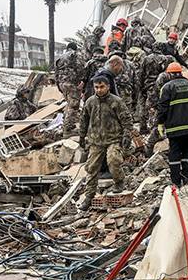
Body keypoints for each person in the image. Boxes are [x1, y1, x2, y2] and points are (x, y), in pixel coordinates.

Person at [78, 75, 136, 210]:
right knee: (91, 168)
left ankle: (119, 181)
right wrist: (81, 136)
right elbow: (84, 120)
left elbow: (127, 120)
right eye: (96, 87)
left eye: (101, 87)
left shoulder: (116, 102)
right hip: (95, 141)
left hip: (113, 139)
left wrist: (127, 135)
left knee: (114, 160)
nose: (99, 90)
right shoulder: (90, 102)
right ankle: (88, 197)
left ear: (108, 86)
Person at [156, 62, 188, 187]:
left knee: (175, 153)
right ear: (180, 73)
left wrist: (160, 123)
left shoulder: (167, 87)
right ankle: (187, 178)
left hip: (175, 128)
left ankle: (176, 182)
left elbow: (162, 108)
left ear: (169, 74)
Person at [137, 53, 174, 137]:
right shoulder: (165, 59)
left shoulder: (146, 58)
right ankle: (158, 128)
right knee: (160, 107)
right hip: (160, 86)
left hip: (148, 86)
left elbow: (141, 74)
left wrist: (141, 87)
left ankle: (147, 128)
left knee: (148, 108)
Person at [55, 42, 83, 137]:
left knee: (69, 104)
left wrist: (58, 85)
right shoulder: (74, 55)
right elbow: (80, 68)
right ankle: (68, 129)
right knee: (74, 106)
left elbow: (56, 72)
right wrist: (81, 81)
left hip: (62, 83)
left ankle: (65, 126)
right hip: (71, 83)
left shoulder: (60, 57)